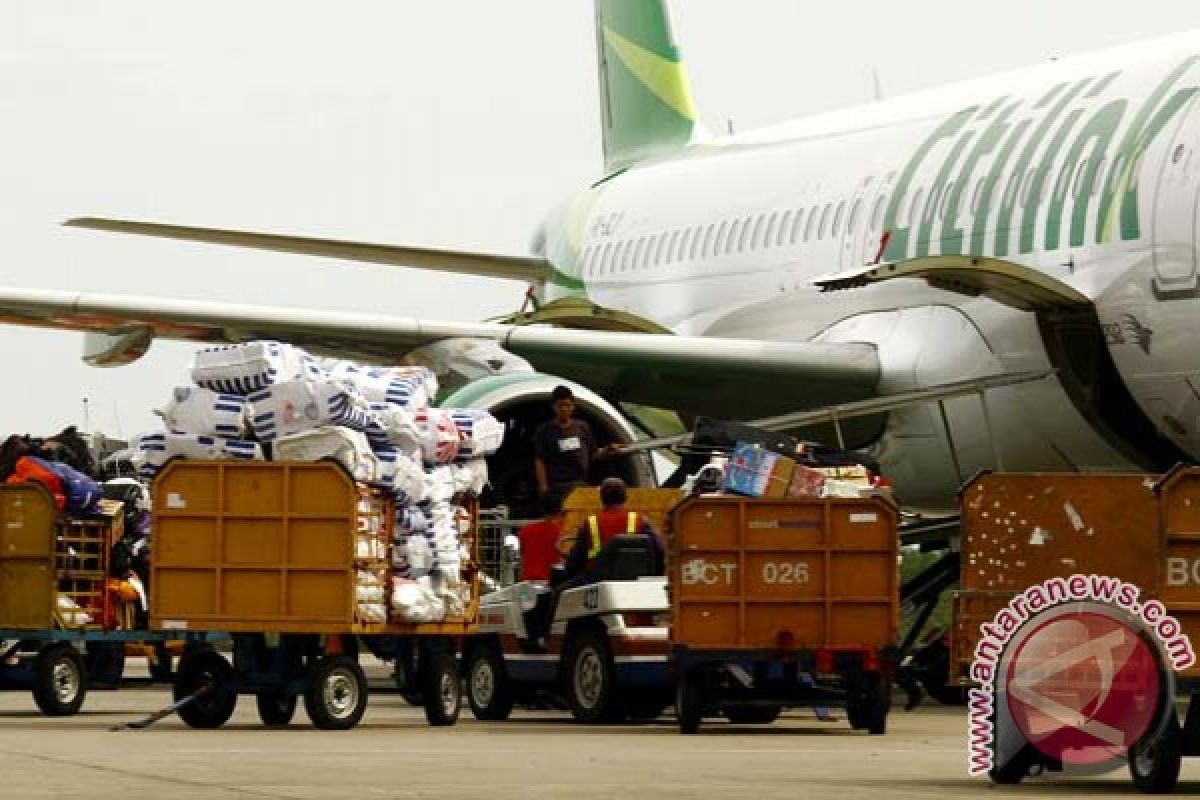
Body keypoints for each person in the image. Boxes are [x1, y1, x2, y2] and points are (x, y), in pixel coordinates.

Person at [560, 477, 664, 586]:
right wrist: (654, 575)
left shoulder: (590, 523)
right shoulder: (641, 521)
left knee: (558, 592)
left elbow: (575, 561)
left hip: (596, 581)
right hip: (635, 580)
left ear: (601, 497)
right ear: (625, 497)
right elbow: (659, 551)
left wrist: (569, 570)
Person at [533, 385, 617, 499]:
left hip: (580, 484)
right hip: (557, 487)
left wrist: (608, 449)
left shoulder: (582, 427)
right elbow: (540, 460)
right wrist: (543, 486)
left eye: (567, 405)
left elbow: (593, 454)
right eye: (560, 405)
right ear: (553, 407)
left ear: (573, 406)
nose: (564, 409)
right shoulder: (544, 430)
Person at [516, 492, 566, 583]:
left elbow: (522, 559)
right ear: (560, 510)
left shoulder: (525, 530)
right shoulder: (562, 532)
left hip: (527, 580)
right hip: (551, 581)